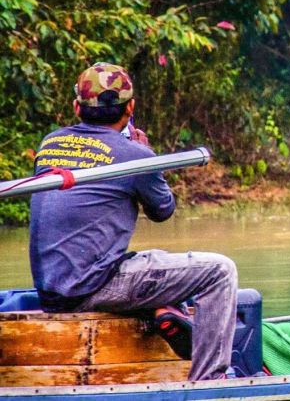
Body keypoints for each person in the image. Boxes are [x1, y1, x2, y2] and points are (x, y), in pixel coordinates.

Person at [30, 62, 239, 381]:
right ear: (130, 108)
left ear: (76, 108)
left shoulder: (50, 144)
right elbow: (162, 210)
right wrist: (146, 156)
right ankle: (209, 380)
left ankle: (163, 311)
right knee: (219, 271)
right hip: (92, 287)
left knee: (152, 259)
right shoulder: (135, 155)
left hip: (52, 291)